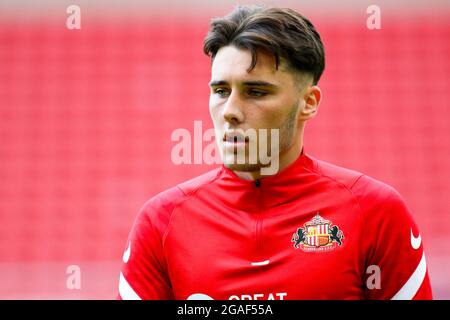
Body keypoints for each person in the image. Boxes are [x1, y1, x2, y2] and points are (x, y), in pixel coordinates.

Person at [117, 5, 432, 300]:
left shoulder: (375, 213)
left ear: (309, 102)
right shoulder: (160, 223)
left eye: (255, 92)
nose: (230, 111)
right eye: (221, 91)